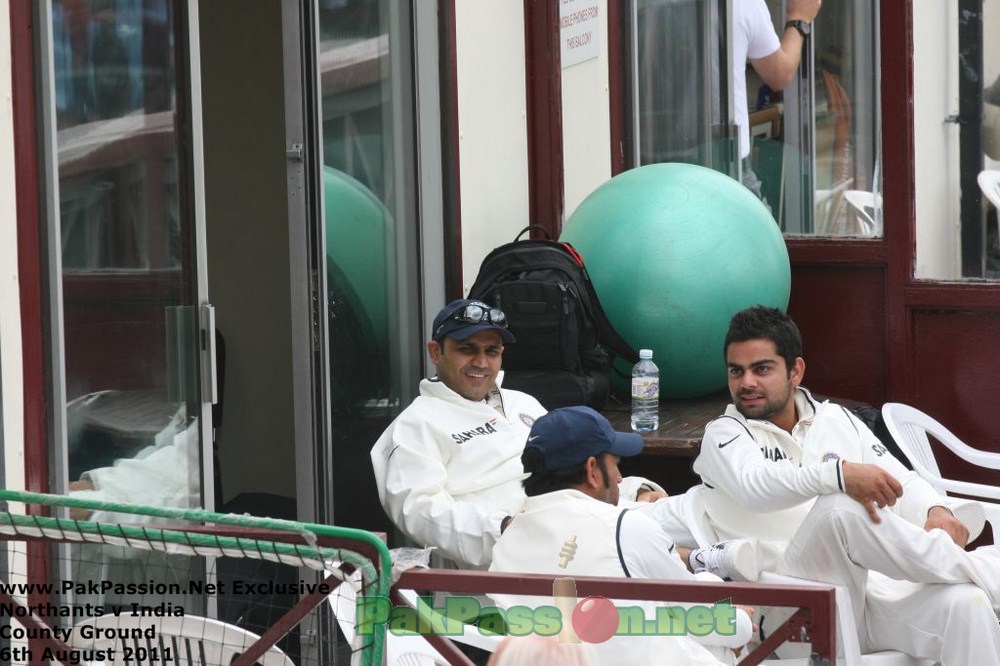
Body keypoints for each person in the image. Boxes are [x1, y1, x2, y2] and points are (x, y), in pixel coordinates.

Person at [693, 305, 1000, 664]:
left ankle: (981, 580)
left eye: (761, 369)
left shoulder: (835, 419)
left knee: (967, 605)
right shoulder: (723, 434)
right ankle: (990, 572)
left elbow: (898, 477)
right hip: (787, 615)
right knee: (839, 507)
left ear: (796, 371)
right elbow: (754, 486)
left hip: (867, 597)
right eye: (736, 371)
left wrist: (936, 509)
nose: (747, 383)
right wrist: (839, 475)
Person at [371, 299, 680, 569]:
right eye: (467, 350)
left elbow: (572, 468)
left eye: (491, 351)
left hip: (581, 520)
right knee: (671, 558)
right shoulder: (415, 425)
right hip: (520, 560)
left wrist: (633, 492)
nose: (481, 362)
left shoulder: (523, 402)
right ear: (436, 352)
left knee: (694, 518)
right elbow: (420, 511)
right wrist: (506, 529)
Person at [489, 406, 756, 666]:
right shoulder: (624, 526)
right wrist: (741, 623)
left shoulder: (505, 543)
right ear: (593, 470)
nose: (619, 478)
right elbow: (700, 619)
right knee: (714, 604)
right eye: (615, 465)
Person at [733, 0, 822, 202]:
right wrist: (799, 19)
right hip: (726, 163)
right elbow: (778, 74)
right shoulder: (742, 4)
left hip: (657, 159)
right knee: (759, 233)